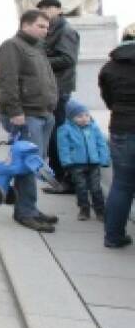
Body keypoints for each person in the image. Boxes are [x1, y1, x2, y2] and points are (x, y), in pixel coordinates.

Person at [0, 9, 59, 233]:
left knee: (35, 164)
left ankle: (29, 206)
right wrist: (15, 110)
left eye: (47, 27)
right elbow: (7, 80)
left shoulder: (36, 48)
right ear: (26, 25)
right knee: (27, 165)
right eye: (41, 26)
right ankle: (25, 212)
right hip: (27, 114)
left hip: (43, 113)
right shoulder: (12, 46)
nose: (46, 30)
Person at [36, 0, 80, 195]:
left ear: (59, 9)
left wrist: (38, 60)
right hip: (51, 88)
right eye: (42, 8)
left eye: (48, 8)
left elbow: (68, 59)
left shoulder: (66, 31)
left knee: (57, 134)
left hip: (59, 88)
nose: (45, 11)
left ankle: (65, 179)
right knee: (53, 134)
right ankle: (59, 177)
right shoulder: (51, 30)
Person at [99, 22, 135, 248]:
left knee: (121, 184)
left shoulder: (109, 68)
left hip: (122, 128)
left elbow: (109, 100)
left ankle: (113, 236)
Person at [56, 99, 109, 221]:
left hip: (94, 164)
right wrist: (66, 162)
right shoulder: (65, 129)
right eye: (79, 116)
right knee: (81, 188)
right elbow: (63, 147)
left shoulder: (93, 128)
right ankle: (84, 209)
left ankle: (100, 210)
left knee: (96, 188)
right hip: (76, 165)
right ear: (70, 117)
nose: (84, 118)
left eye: (86, 115)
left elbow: (101, 144)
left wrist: (104, 159)